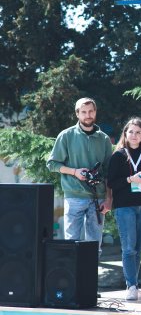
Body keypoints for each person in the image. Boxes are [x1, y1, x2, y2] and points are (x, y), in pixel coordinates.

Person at [46, 97, 113, 257]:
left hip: (98, 198)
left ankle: (91, 274)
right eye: (83, 112)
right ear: (77, 114)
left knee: (94, 247)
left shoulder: (104, 139)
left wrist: (109, 198)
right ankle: (71, 274)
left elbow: (109, 172)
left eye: (91, 111)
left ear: (95, 112)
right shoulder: (66, 135)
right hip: (74, 196)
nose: (87, 115)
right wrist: (75, 172)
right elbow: (52, 164)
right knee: (71, 244)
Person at [107, 118, 141, 301]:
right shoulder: (118, 155)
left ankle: (135, 286)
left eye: (138, 132)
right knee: (129, 248)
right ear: (125, 134)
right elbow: (111, 182)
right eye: (131, 132)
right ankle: (131, 286)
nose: (134, 135)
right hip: (125, 206)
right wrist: (131, 179)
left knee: (138, 248)